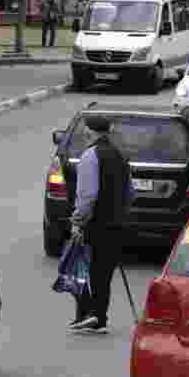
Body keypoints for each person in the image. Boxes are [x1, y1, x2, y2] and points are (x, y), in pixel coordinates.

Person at [68, 115, 135, 334]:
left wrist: (78, 221)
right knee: (103, 274)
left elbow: (87, 195)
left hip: (95, 225)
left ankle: (89, 315)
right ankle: (99, 317)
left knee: (86, 270)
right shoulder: (120, 155)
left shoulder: (90, 155)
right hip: (117, 225)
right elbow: (130, 193)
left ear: (90, 132)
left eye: (86, 131)